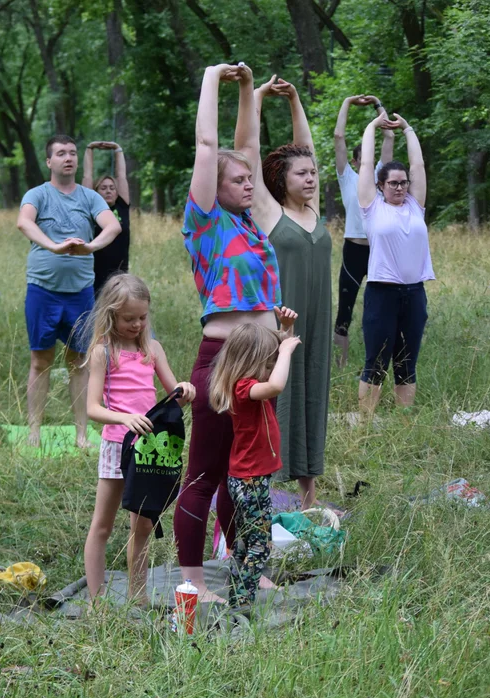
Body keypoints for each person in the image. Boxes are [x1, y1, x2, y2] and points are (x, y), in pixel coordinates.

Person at [174, 62, 286, 603]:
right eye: (239, 180)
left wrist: (249, 90)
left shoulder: (250, 222)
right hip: (222, 360)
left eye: (250, 179)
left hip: (261, 361)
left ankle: (245, 563)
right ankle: (193, 578)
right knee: (207, 471)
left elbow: (248, 144)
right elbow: (207, 144)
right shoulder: (206, 223)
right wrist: (214, 77)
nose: (250, 183)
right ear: (214, 188)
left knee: (245, 477)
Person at [83, 274, 195, 605]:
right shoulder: (103, 352)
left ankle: (138, 597)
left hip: (148, 449)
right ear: (111, 315)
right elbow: (92, 408)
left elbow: (173, 395)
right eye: (128, 319)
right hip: (118, 445)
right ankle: (96, 602)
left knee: (143, 526)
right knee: (102, 526)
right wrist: (124, 417)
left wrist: (185, 390)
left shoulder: (153, 349)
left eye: (142, 318)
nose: (136, 324)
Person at [247, 75, 330, 510]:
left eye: (314, 172)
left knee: (314, 398)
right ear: (282, 178)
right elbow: (249, 151)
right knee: (282, 401)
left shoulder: (314, 210)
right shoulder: (269, 212)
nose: (312, 176)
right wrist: (257, 98)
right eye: (302, 173)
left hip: (317, 324)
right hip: (281, 326)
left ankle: (308, 502)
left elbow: (307, 148)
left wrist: (296, 99)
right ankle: (271, 502)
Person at [17, 135, 121, 448]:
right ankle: (34, 430)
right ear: (49, 161)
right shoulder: (38, 194)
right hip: (43, 291)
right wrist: (52, 246)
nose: (69, 158)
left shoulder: (89, 197)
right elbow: (24, 222)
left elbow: (112, 227)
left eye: (73, 153)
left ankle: (80, 434)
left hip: (80, 293)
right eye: (61, 153)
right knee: (40, 360)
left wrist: (89, 246)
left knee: (79, 361)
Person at [208, 321, 301, 608]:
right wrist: (286, 349)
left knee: (247, 542)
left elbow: (272, 375)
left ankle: (237, 589)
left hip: (250, 479)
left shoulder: (246, 384)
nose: (272, 366)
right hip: (250, 481)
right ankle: (242, 603)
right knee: (260, 548)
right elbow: (276, 384)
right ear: (252, 362)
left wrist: (284, 332)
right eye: (267, 361)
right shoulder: (244, 388)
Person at [356, 111, 433, 416]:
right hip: (382, 294)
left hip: (414, 294)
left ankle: (404, 425)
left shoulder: (416, 206)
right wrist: (373, 126)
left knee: (406, 362)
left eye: (403, 183)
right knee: (376, 362)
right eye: (393, 183)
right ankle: (364, 425)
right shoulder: (371, 208)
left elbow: (418, 164)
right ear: (381, 185)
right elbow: (364, 164)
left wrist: (408, 128)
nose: (399, 188)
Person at [332, 95, 394, 368]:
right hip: (353, 249)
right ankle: (340, 365)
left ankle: (378, 360)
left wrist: (378, 104)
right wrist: (346, 102)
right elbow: (338, 137)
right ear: (356, 162)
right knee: (344, 310)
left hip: (379, 250)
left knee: (379, 309)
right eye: (363, 159)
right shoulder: (348, 177)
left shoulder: (382, 181)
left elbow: (389, 137)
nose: (367, 162)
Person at [81, 141, 131, 295]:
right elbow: (87, 176)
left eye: (112, 188)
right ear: (96, 192)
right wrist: (90, 148)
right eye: (103, 188)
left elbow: (121, 175)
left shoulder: (122, 206)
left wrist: (118, 148)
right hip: (93, 273)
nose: (108, 191)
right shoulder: (90, 207)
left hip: (119, 274)